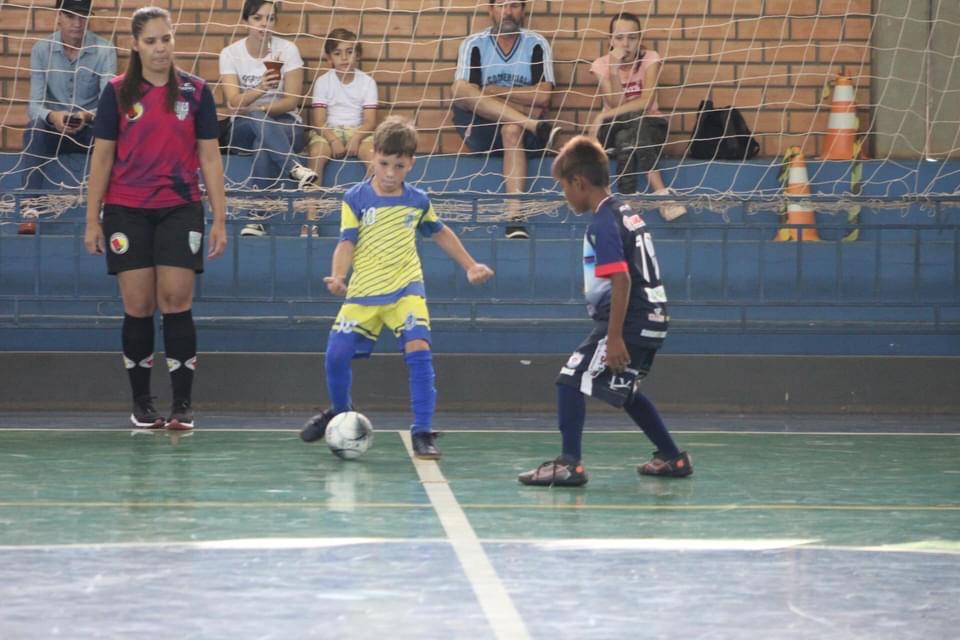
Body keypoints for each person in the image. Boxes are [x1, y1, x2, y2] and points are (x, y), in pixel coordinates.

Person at [300, 117, 494, 459]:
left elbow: (440, 232)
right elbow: (347, 242)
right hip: (364, 291)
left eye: (399, 166)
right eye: (384, 163)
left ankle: (422, 430)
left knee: (419, 350)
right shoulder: (355, 198)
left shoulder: (417, 200)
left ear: (411, 164)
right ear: (372, 156)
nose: (390, 173)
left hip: (406, 290)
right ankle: (339, 411)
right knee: (336, 355)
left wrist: (471, 265)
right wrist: (338, 275)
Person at [83, 6, 228, 431]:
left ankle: (182, 404)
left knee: (176, 301)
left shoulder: (196, 91)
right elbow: (103, 157)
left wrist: (220, 218)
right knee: (139, 305)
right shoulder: (116, 93)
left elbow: (209, 156)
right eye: (151, 41)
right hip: (126, 209)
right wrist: (93, 219)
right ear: (135, 44)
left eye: (166, 39)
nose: (161, 48)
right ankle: (142, 403)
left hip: (180, 208)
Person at [518, 136, 692, 486]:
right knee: (624, 390)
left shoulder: (601, 223)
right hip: (654, 319)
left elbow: (621, 278)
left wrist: (613, 336)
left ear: (579, 183)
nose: (564, 195)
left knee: (569, 380)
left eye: (564, 187)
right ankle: (672, 457)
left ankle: (569, 463)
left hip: (629, 320)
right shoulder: (625, 213)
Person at [450, 0, 564, 240]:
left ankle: (514, 216)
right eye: (501, 5)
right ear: (490, 9)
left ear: (523, 10)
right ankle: (530, 124)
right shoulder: (474, 44)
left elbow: (543, 96)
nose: (507, 12)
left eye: (513, 5)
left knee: (511, 128)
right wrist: (524, 110)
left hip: (523, 137)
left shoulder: (536, 43)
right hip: (482, 130)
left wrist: (491, 90)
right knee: (459, 89)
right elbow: (464, 94)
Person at [18, 0, 117, 235]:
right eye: (71, 16)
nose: (77, 22)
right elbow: (34, 105)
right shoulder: (42, 49)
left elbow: (108, 104)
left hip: (90, 128)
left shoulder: (105, 49)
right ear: (59, 16)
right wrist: (53, 116)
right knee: (34, 129)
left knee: (115, 130)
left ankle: (107, 207)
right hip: (53, 128)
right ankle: (30, 209)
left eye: (82, 16)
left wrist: (85, 116)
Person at [219, 0, 316, 237]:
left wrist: (255, 107)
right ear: (246, 22)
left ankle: (257, 218)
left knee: (262, 140)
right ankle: (294, 167)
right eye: (258, 18)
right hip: (241, 129)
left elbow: (291, 102)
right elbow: (233, 101)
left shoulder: (287, 50)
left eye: (270, 18)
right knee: (256, 118)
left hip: (286, 124)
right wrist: (261, 88)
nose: (265, 24)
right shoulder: (230, 53)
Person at [587, 12, 686, 221]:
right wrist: (614, 70)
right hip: (614, 128)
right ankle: (662, 195)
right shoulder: (600, 64)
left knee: (630, 131)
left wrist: (600, 117)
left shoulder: (650, 58)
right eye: (620, 38)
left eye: (632, 38)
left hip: (651, 126)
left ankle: (628, 200)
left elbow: (645, 102)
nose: (626, 44)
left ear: (640, 40)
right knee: (628, 126)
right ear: (610, 40)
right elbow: (617, 103)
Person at [303, 28, 377, 238]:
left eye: (350, 51)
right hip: (329, 130)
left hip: (359, 130)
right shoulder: (323, 82)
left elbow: (370, 121)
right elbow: (318, 121)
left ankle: (368, 218)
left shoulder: (367, 82)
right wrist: (333, 139)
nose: (344, 58)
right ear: (329, 58)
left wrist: (356, 137)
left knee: (374, 159)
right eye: (337, 53)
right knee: (316, 157)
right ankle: (310, 221)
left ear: (358, 55)